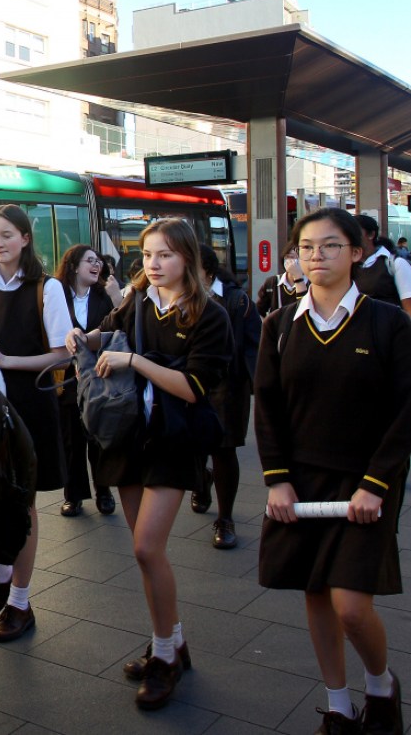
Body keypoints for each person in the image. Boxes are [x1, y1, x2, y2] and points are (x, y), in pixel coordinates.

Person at [65, 218, 231, 710]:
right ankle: (170, 643)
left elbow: (194, 388)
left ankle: (164, 656)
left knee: (145, 546)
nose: (154, 265)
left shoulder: (210, 314)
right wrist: (84, 338)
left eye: (165, 255)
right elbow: (107, 334)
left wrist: (133, 362)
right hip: (128, 434)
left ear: (188, 260)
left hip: (173, 439)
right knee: (144, 552)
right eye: (149, 255)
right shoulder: (137, 301)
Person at [256, 208, 411, 735]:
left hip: (366, 482)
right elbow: (268, 407)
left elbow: (406, 410)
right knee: (315, 591)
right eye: (306, 247)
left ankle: (382, 685)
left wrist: (376, 483)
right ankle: (339, 707)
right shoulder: (279, 325)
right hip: (300, 481)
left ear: (357, 252)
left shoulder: (388, 321)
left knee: (350, 604)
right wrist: (277, 477)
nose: (316, 256)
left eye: (329, 246)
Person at [0, 204, 70, 643]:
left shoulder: (48, 288)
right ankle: (2, 573)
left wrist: (10, 361)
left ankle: (21, 603)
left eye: (7, 235)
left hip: (30, 404)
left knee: (23, 503)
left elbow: (64, 353)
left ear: (26, 238)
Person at [190, 247, 261, 551]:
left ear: (205, 269)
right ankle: (201, 480)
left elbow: (253, 346)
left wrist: (257, 385)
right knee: (190, 447)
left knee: (223, 451)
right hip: (189, 384)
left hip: (227, 388)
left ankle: (225, 519)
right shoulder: (177, 296)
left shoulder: (237, 300)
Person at [55, 244, 115, 518]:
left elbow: (117, 332)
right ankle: (74, 495)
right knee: (71, 439)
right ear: (74, 265)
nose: (97, 265)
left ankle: (103, 490)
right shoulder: (56, 295)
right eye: (90, 261)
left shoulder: (105, 296)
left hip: (99, 376)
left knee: (98, 438)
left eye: (99, 262)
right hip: (66, 379)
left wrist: (119, 298)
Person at [351, 214, 411, 315]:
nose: (351, 238)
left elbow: (408, 309)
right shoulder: (348, 266)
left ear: (371, 235)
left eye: (355, 232)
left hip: (389, 327)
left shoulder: (394, 263)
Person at [256, 242, 308, 317]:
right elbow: (259, 310)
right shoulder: (272, 282)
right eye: (289, 257)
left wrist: (297, 276)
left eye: (297, 257)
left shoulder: (313, 283)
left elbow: (305, 309)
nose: (292, 261)